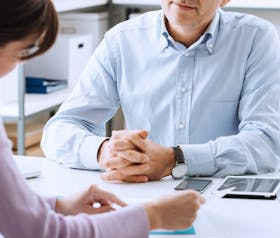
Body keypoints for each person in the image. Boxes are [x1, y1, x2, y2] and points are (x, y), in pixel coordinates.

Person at [0, 0, 205, 238]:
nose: (18, 65)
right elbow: (39, 233)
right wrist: (152, 216)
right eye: (22, 53)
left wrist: (56, 205)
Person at [41, 0, 280, 183]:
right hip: (143, 192)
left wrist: (174, 159)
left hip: (225, 195)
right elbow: (60, 129)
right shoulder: (121, 40)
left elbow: (266, 143)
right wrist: (103, 151)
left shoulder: (255, 38)